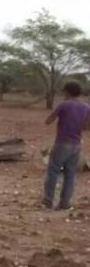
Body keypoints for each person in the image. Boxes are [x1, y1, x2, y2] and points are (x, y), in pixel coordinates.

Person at [43, 81, 90, 210]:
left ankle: (48, 201)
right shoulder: (86, 107)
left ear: (67, 92)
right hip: (76, 144)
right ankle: (65, 203)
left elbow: (48, 121)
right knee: (70, 174)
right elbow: (86, 127)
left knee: (53, 171)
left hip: (62, 142)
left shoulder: (64, 104)